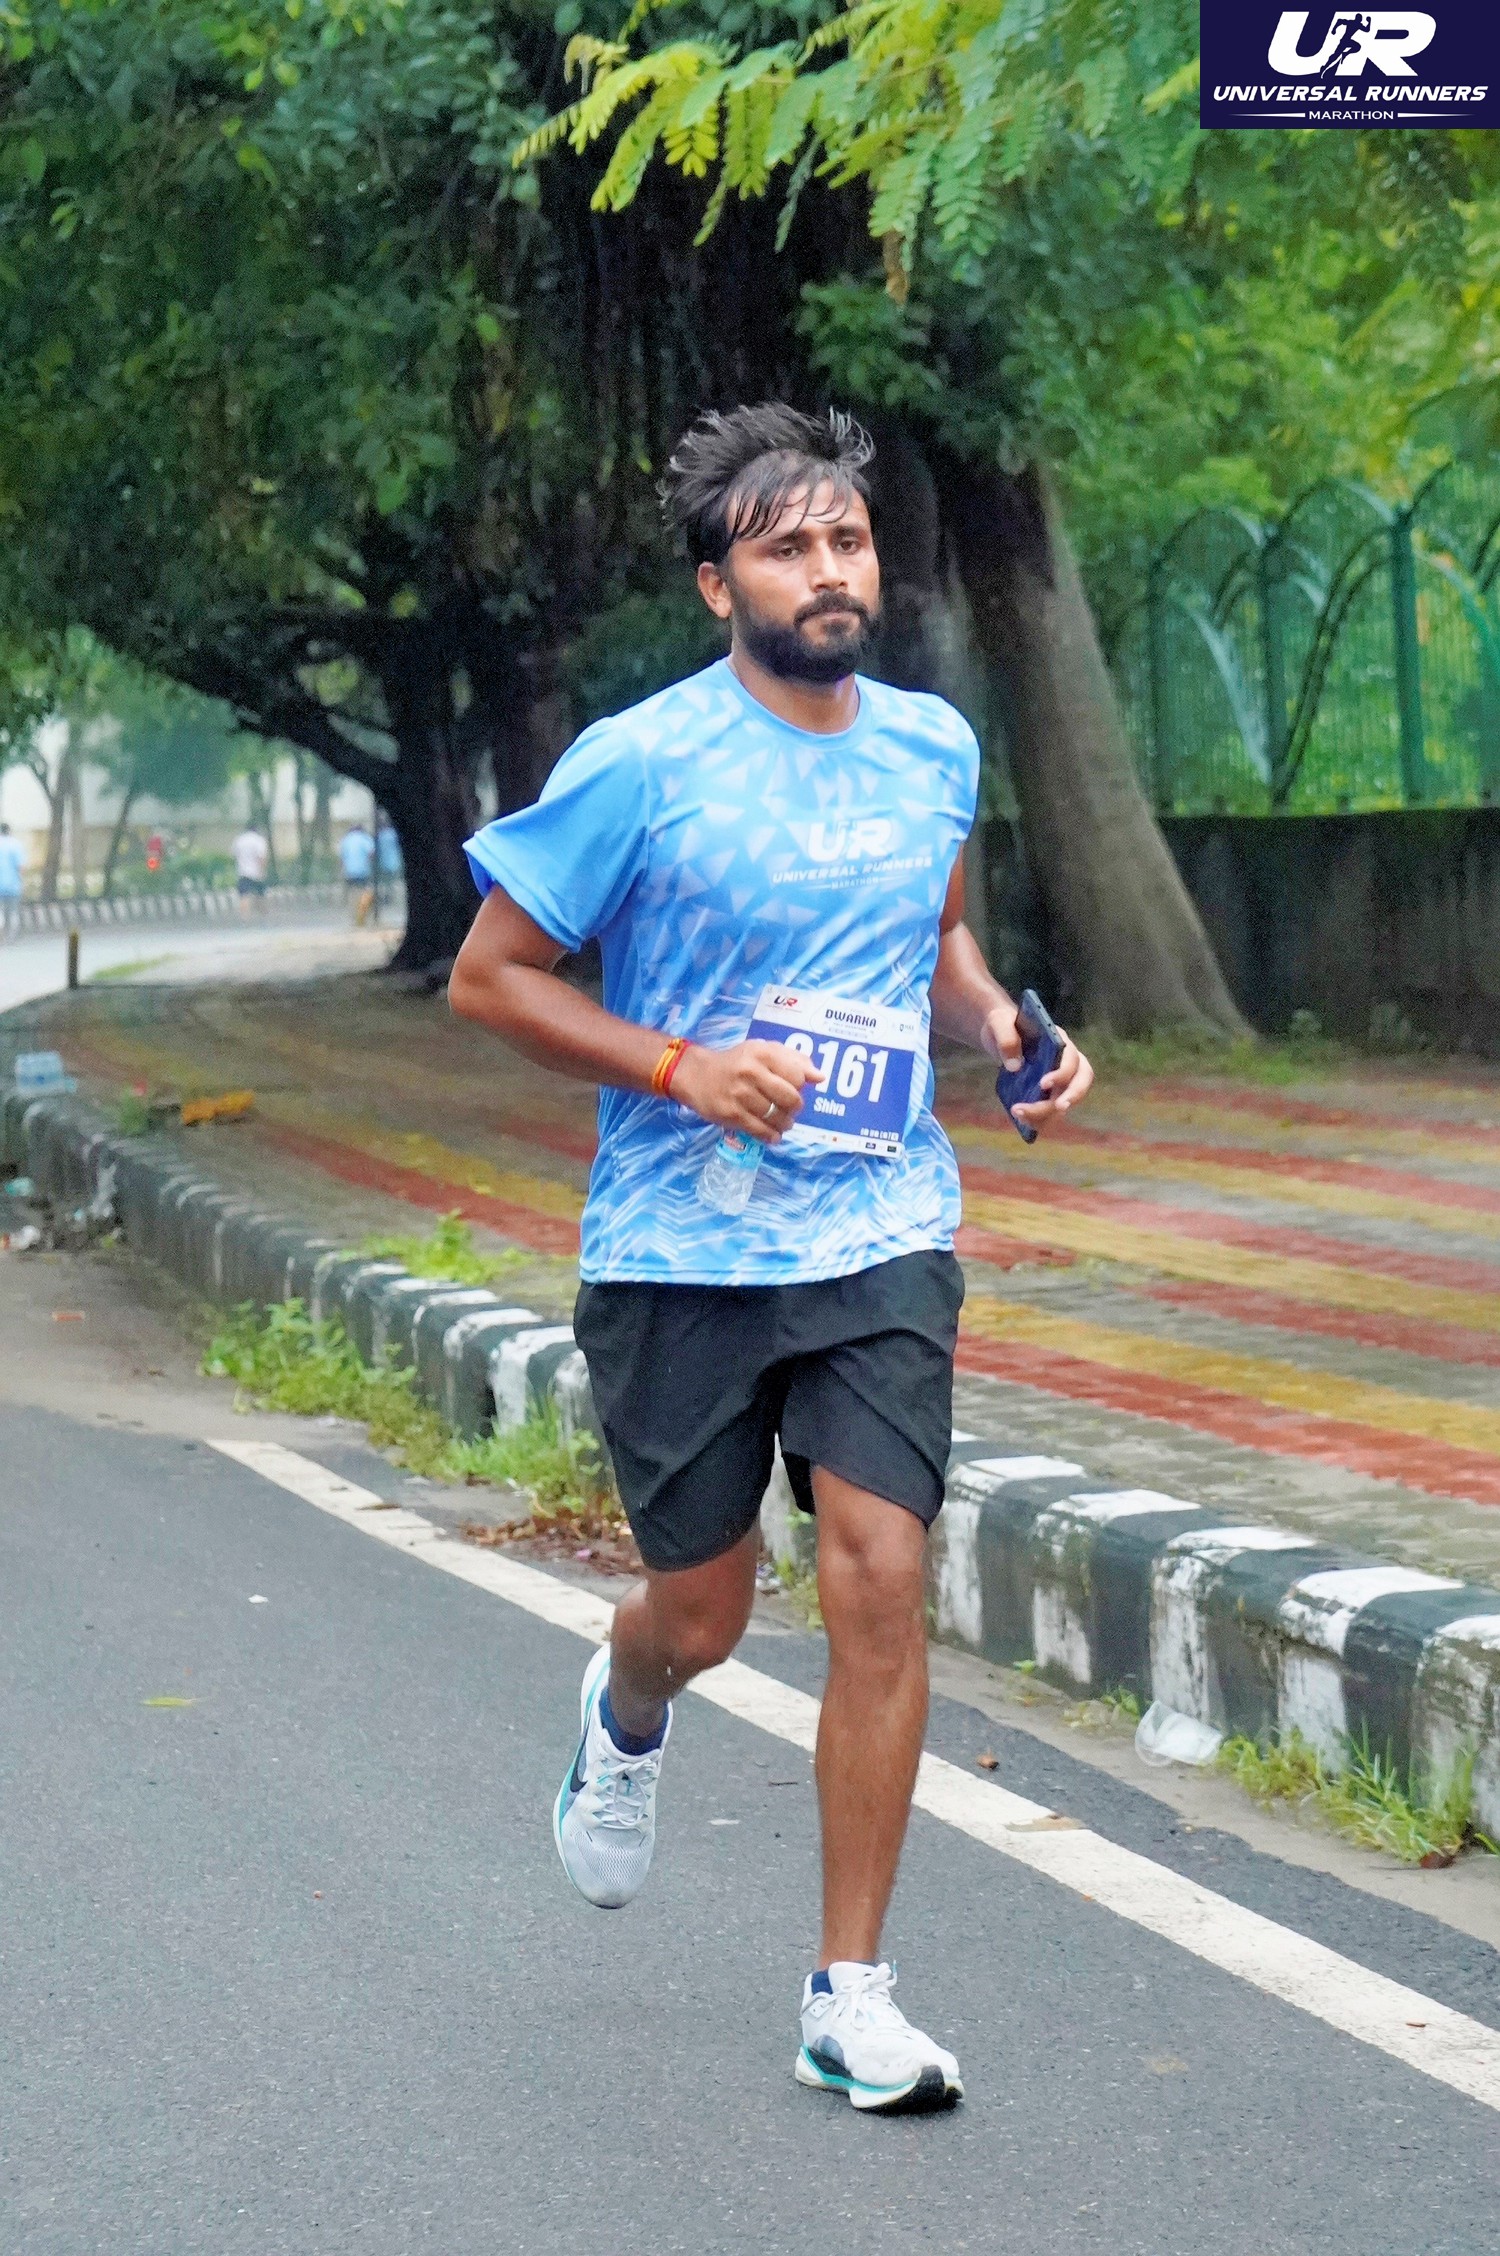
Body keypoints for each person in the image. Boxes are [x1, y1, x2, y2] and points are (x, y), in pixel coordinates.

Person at [449, 403, 1093, 2115]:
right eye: (789, 546)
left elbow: (936, 940)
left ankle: (847, 1995)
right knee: (708, 1610)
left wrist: (1003, 1027)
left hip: (879, 1222)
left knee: (881, 1568)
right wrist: (682, 1067)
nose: (829, 570)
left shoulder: (931, 749)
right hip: (679, 1246)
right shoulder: (640, 764)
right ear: (717, 583)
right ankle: (629, 1696)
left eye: (849, 539)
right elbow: (489, 978)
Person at [339, 824, 375, 923]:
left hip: (349, 871)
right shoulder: (365, 838)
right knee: (365, 891)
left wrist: (342, 869)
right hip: (363, 870)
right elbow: (371, 852)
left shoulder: (346, 839)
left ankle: (353, 915)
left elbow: (342, 856)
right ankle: (362, 914)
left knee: (352, 892)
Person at [232, 824, 270, 914]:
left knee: (244, 896)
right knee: (261, 896)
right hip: (257, 873)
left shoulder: (239, 840)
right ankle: (263, 916)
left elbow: (235, 855)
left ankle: (245, 917)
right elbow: (261, 857)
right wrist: (262, 871)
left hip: (243, 873)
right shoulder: (259, 840)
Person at [0, 820, 24, 940]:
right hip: (13, 885)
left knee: (1, 911)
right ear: (9, 831)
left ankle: (1, 933)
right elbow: (20, 866)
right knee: (13, 911)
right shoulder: (16, 844)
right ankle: (12, 935)